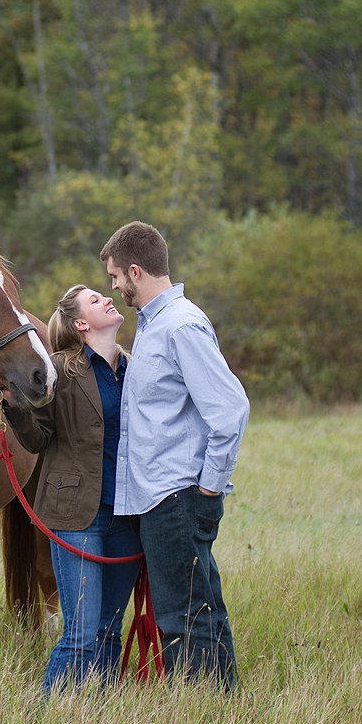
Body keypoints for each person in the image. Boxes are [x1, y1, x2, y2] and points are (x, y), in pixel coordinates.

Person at [100, 221, 249, 687]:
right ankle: (221, 708)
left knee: (183, 618)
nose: (115, 287)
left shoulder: (179, 325)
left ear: (136, 270)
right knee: (198, 606)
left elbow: (230, 409)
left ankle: (201, 715)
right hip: (162, 497)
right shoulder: (153, 326)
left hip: (176, 496)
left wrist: (207, 487)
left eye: (115, 277)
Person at [2, 284, 142, 694]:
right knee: (79, 635)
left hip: (127, 513)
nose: (108, 299)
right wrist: (13, 408)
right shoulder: (60, 369)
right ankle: (49, 718)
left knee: (109, 631)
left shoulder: (135, 367)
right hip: (75, 513)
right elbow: (38, 440)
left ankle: (94, 716)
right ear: (81, 323)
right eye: (97, 300)